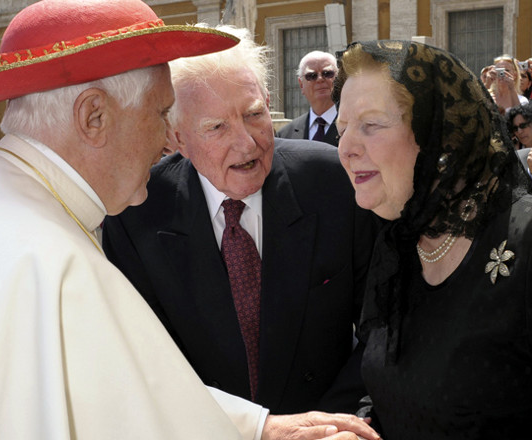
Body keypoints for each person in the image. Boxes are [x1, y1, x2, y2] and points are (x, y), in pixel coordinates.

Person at [0, 0, 378, 440]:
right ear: (93, 117)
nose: (167, 142)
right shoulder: (45, 256)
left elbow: (123, 387)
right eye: (159, 114)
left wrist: (262, 428)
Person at [102, 25, 379, 419]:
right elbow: (142, 363)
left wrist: (335, 421)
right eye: (216, 127)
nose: (247, 143)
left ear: (269, 103)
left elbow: (382, 322)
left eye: (253, 115)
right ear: (177, 137)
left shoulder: (333, 182)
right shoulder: (136, 215)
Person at [334, 39, 532, 439]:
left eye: (370, 125)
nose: (346, 148)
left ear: (441, 137)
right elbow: (393, 385)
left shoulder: (525, 240)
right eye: (342, 129)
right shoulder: (397, 244)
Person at [276, 51, 340, 146]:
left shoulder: (356, 127)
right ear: (301, 85)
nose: (320, 79)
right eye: (311, 76)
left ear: (338, 79)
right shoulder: (285, 136)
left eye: (327, 73)